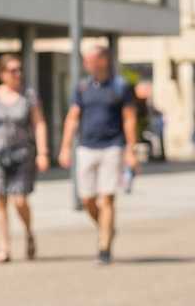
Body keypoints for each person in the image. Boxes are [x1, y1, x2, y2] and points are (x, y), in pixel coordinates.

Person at [59, 44, 138, 265]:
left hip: (113, 146)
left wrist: (131, 150)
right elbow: (73, 117)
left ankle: (104, 248)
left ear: (103, 60)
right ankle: (107, 227)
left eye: (91, 59)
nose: (87, 64)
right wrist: (65, 147)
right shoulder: (83, 87)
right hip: (86, 146)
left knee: (108, 197)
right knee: (87, 199)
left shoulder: (120, 86)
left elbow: (129, 119)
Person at [0, 54, 48, 263]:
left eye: (19, 69)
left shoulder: (28, 96)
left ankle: (29, 232)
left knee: (20, 200)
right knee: (0, 202)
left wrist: (43, 152)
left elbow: (39, 123)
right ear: (1, 73)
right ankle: (4, 249)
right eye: (12, 70)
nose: (17, 74)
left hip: (23, 153)